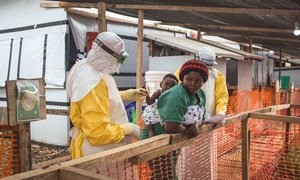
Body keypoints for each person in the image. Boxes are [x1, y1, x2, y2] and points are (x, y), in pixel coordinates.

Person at [66, 32, 148, 160]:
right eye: (120, 59)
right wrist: (129, 129)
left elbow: (98, 100)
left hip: (103, 150)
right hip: (99, 154)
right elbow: (98, 133)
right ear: (109, 57)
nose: (120, 63)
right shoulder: (92, 82)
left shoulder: (87, 67)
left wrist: (125, 95)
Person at [140, 59, 209, 179]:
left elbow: (201, 118)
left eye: (198, 81)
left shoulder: (201, 94)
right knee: (166, 174)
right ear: (183, 78)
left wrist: (196, 126)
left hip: (174, 138)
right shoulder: (177, 95)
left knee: (163, 173)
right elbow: (171, 127)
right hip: (156, 136)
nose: (193, 83)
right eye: (189, 79)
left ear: (203, 82)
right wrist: (188, 130)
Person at [175, 47, 228, 179]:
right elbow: (175, 93)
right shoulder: (184, 72)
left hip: (207, 125)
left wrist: (220, 113)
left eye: (210, 66)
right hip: (186, 125)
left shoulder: (217, 76)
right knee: (186, 158)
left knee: (205, 157)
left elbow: (222, 97)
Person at [142, 73, 179, 137]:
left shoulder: (174, 96)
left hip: (163, 117)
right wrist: (147, 96)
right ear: (161, 84)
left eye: (172, 86)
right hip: (153, 111)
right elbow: (149, 102)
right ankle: (150, 132)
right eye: (166, 84)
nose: (168, 87)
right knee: (148, 117)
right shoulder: (158, 93)